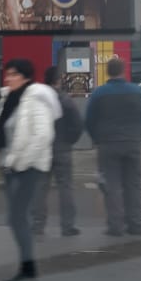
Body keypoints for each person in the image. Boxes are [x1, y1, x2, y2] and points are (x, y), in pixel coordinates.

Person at [0, 58, 54, 281]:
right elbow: (0, 130)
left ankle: (29, 272)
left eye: (14, 74)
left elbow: (43, 135)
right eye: (8, 74)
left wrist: (22, 162)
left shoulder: (34, 99)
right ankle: (26, 271)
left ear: (25, 76)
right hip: (10, 167)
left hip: (28, 168)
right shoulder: (8, 98)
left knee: (17, 218)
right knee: (17, 219)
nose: (9, 78)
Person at [85, 56, 141, 237]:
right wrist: (138, 134)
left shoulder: (99, 93)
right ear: (123, 71)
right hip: (132, 143)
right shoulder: (136, 91)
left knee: (112, 185)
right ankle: (136, 225)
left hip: (108, 144)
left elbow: (89, 119)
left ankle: (115, 226)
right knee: (134, 185)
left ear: (107, 72)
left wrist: (97, 138)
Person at [32, 66, 82, 237]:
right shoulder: (65, 100)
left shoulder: (38, 99)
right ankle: (68, 226)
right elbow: (77, 124)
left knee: (40, 188)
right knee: (65, 187)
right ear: (58, 80)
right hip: (62, 149)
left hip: (42, 150)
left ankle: (38, 225)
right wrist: (69, 140)